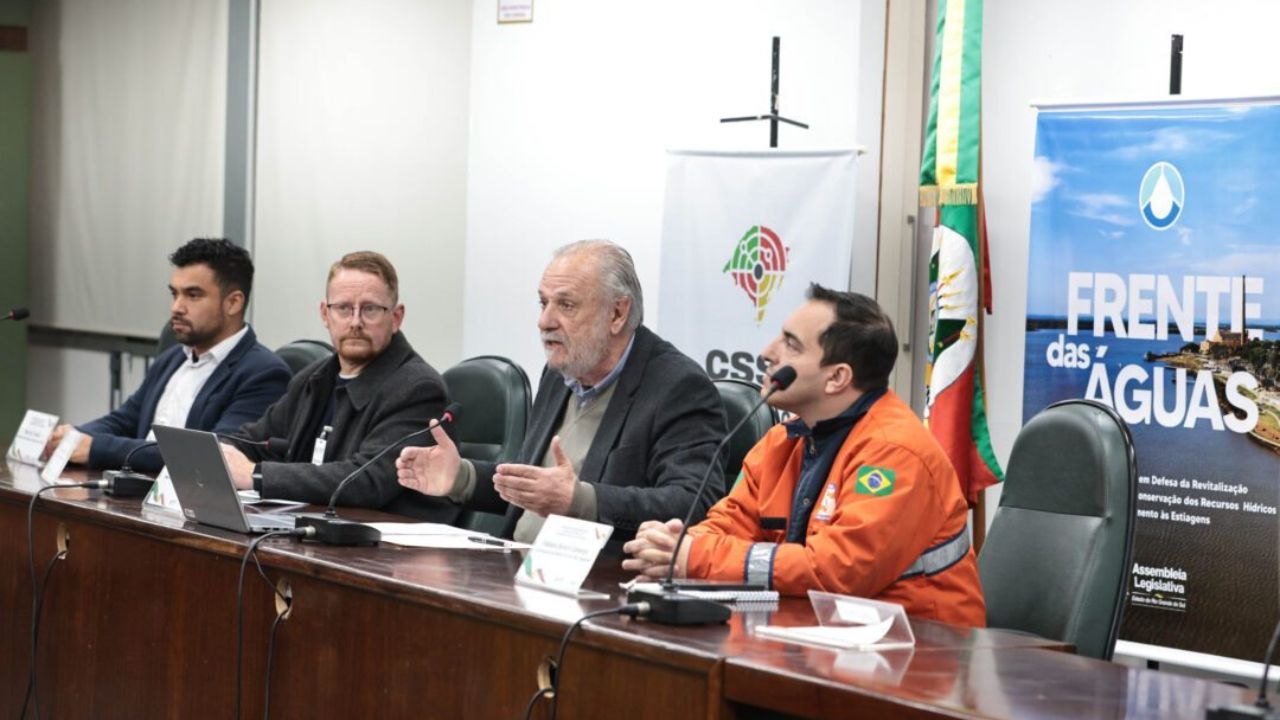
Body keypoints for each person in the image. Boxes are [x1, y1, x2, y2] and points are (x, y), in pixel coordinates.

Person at [622, 284, 986, 627]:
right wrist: (675, 545)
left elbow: (838, 570)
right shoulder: (783, 440)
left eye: (791, 346)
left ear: (837, 378)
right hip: (822, 636)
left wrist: (695, 557)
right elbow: (730, 522)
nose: (767, 352)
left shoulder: (895, 452)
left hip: (921, 652)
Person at [395, 240, 726, 547]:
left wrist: (580, 499)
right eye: (543, 302)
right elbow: (535, 488)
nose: (544, 321)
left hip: (599, 587)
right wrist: (461, 477)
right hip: (514, 566)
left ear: (617, 313)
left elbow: (694, 503)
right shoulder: (560, 373)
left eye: (566, 304)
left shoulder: (677, 386)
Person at [221, 251, 452, 520]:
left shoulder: (418, 388)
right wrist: (220, 453)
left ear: (397, 317)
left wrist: (255, 475)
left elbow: (366, 481)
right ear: (325, 314)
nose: (355, 322)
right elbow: (252, 440)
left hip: (384, 548)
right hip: (312, 532)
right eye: (343, 308)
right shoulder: (313, 379)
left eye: (370, 309)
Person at [43, 238, 290, 474]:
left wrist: (96, 448)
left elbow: (211, 454)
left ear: (233, 303)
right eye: (175, 294)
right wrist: (71, 437)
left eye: (193, 295)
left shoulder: (264, 373)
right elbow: (124, 420)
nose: (176, 307)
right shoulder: (171, 359)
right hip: (138, 496)